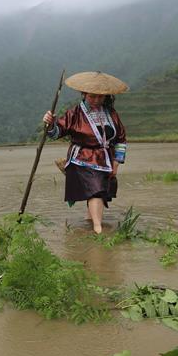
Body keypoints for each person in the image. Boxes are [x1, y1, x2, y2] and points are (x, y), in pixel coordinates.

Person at [43, 71, 129, 234]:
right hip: (82, 159)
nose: (96, 100)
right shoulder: (74, 113)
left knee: (100, 193)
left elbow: (121, 139)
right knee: (95, 190)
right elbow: (56, 133)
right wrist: (50, 123)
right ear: (84, 94)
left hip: (106, 160)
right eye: (92, 97)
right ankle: (98, 229)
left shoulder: (111, 113)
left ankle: (89, 225)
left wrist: (117, 162)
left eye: (100, 97)